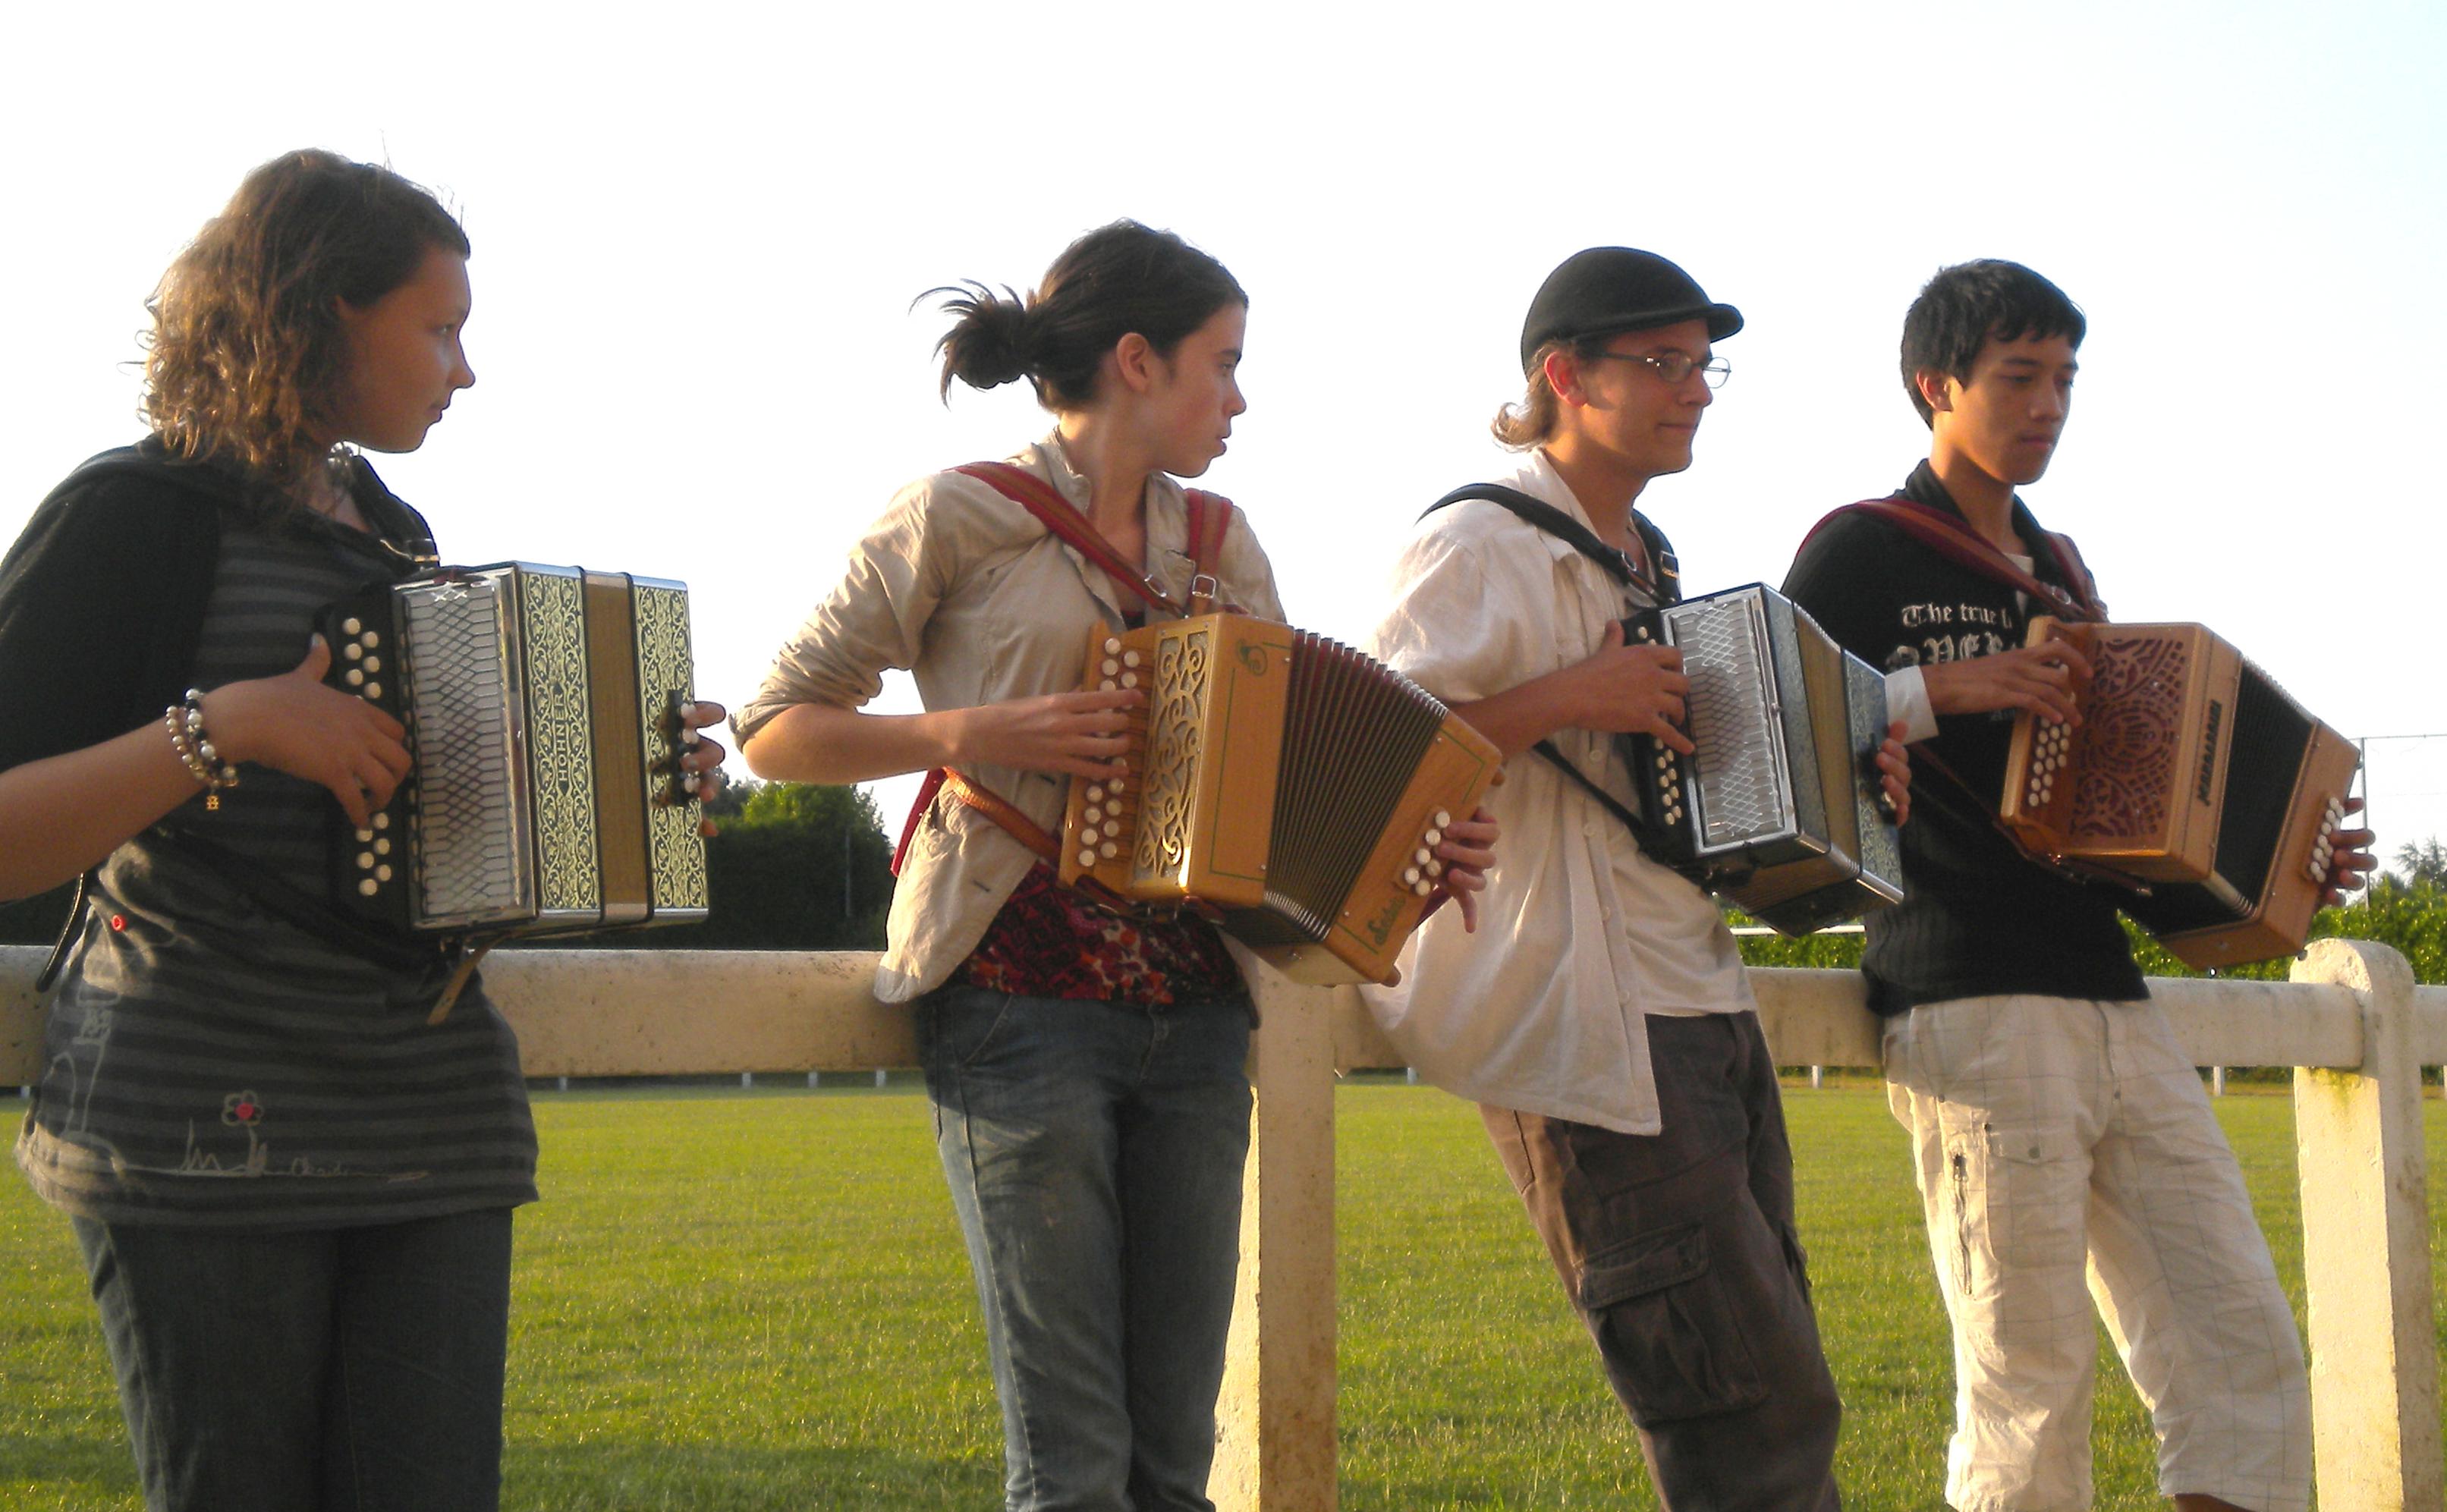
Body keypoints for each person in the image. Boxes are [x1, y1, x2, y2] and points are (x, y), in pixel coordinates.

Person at [0, 149, 727, 1512]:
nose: (466, 371)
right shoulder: (133, 516)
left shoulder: (396, 538)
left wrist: (633, 783)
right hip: (204, 1126)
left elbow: (438, 849)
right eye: (440, 329)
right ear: (325, 309)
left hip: (434, 1115)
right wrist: (228, 725)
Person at [736, 220, 1493, 1512]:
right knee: (1074, 1468)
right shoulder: (957, 514)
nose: (1240, 398)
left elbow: (1283, 782)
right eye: (1225, 363)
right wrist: (965, 731)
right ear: (1138, 361)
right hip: (1012, 1003)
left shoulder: (1224, 542)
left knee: (1172, 1466)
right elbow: (773, 729)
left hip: (1197, 1016)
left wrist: (1411, 853)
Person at [1781, 258, 2373, 1512]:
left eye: (2064, 379)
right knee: (2028, 1397)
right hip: (1966, 996)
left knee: (2244, 1355)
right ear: (1935, 385)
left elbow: (2122, 822)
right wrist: (1941, 688)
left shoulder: (2060, 575)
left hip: (2109, 993)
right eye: (2018, 377)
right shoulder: (1858, 549)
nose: (2047, 405)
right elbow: (1771, 731)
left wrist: (2286, 874)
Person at [1365, 247, 1908, 1511]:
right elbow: (1371, 752)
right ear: (1562, 375)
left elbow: (1676, 784)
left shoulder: (1646, 554)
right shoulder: (1475, 540)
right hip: (1584, 1016)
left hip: (1696, 997)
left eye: (1704, 365)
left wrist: (1848, 770)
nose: (1696, 389)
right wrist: (1571, 693)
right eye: (1663, 362)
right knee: (1744, 1413)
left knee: (1775, 1378)